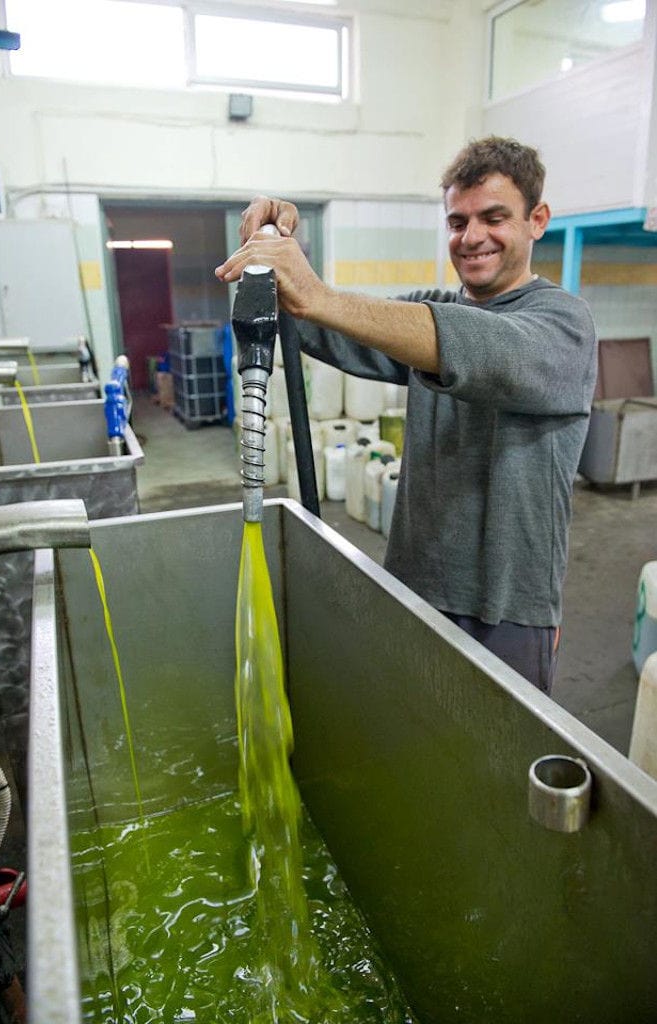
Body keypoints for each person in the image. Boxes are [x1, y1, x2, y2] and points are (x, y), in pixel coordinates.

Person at [215, 136, 598, 694]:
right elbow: (333, 326)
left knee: (493, 766)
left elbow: (485, 351)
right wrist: (276, 251)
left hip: (506, 611)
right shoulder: (433, 310)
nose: (471, 238)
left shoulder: (564, 325)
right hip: (413, 586)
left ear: (537, 219)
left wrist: (318, 294)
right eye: (457, 221)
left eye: (494, 218)